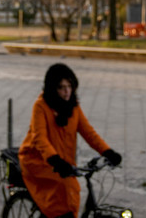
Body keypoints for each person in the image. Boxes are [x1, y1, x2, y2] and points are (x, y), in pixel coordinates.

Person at [18, 64, 121, 218]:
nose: (67, 91)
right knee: (66, 188)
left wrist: (108, 152)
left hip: (62, 162)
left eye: (69, 86)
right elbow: (40, 137)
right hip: (38, 160)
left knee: (69, 192)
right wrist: (55, 160)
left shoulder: (73, 107)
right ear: (52, 88)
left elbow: (88, 133)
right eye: (61, 87)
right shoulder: (40, 106)